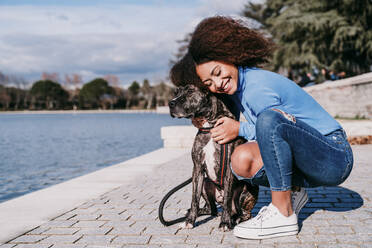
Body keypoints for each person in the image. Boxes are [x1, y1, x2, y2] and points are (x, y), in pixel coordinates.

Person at [170, 16, 354, 240]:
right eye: (208, 83)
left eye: (217, 72)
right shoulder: (234, 91)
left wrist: (239, 128)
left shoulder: (257, 86)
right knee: (240, 160)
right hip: (312, 158)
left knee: (268, 120)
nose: (217, 83)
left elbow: (271, 126)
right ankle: (294, 191)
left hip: (334, 157)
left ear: (230, 57)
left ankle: (282, 213)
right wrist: (199, 119)